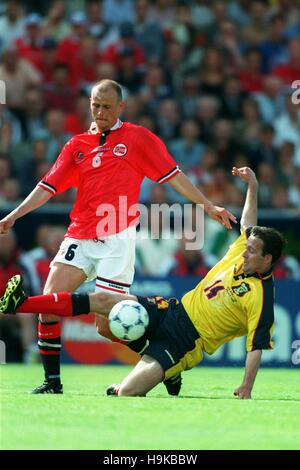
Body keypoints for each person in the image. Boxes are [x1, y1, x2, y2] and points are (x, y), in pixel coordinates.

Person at [0, 79, 236, 394]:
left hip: (116, 238)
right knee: (49, 305)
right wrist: (15, 214)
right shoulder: (77, 145)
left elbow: (174, 176)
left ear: (120, 107)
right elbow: (48, 187)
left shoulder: (138, 138)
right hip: (79, 235)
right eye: (95, 105)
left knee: (108, 324)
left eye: (107, 106)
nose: (100, 111)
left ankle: (166, 365)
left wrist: (206, 206)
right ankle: (52, 382)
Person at [0, 167, 285, 399]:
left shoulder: (261, 295)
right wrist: (253, 187)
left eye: (251, 250)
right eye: (246, 246)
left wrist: (246, 387)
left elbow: (256, 346)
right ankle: (22, 303)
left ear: (267, 258)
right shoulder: (242, 252)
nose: (244, 250)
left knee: (126, 393)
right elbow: (248, 221)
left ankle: (170, 371)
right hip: (171, 311)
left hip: (186, 342)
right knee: (104, 302)